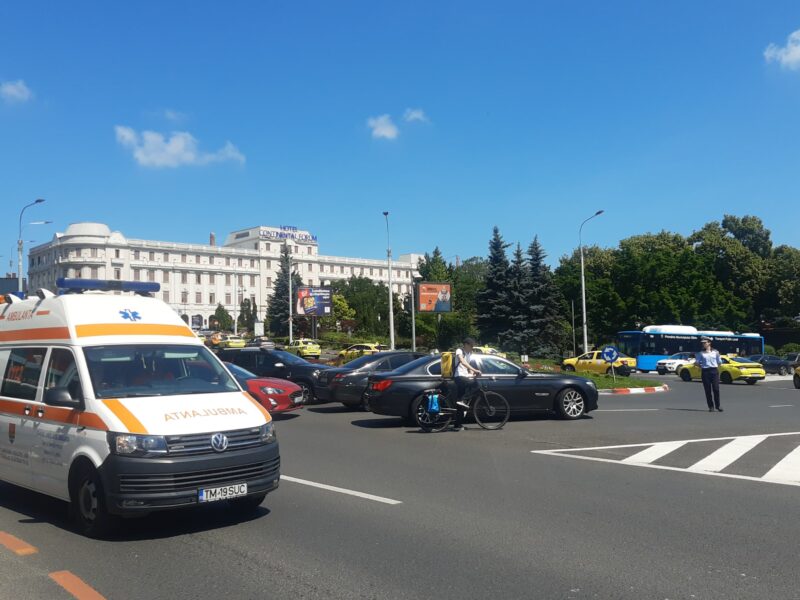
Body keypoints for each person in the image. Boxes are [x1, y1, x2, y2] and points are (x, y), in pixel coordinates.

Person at [450, 337, 482, 431]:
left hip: (464, 376)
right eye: (471, 345)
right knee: (476, 386)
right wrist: (474, 370)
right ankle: (464, 401)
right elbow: (462, 361)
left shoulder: (469, 354)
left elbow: (467, 367)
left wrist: (473, 373)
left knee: (460, 404)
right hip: (459, 377)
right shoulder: (459, 350)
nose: (472, 347)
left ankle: (457, 425)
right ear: (466, 345)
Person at [696, 337, 723, 412]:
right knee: (708, 390)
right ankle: (711, 406)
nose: (703, 344)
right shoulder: (701, 353)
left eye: (705, 342)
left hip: (714, 371)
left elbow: (719, 362)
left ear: (709, 343)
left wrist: (715, 367)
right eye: (703, 343)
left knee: (716, 389)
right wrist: (701, 366)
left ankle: (718, 406)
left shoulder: (716, 352)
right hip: (705, 372)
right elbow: (697, 362)